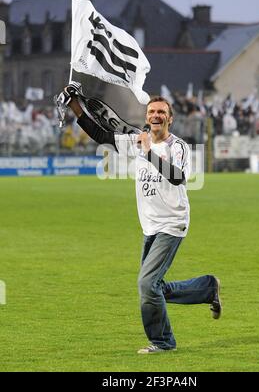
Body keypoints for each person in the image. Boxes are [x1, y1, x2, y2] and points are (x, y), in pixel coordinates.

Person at [58, 82, 222, 354]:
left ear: (170, 118)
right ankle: (207, 288)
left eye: (161, 112)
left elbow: (178, 177)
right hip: (150, 226)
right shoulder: (136, 140)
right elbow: (101, 134)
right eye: (152, 112)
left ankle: (163, 342)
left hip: (172, 223)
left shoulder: (177, 147)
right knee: (153, 287)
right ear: (146, 117)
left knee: (146, 285)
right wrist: (74, 104)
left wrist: (147, 152)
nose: (156, 116)